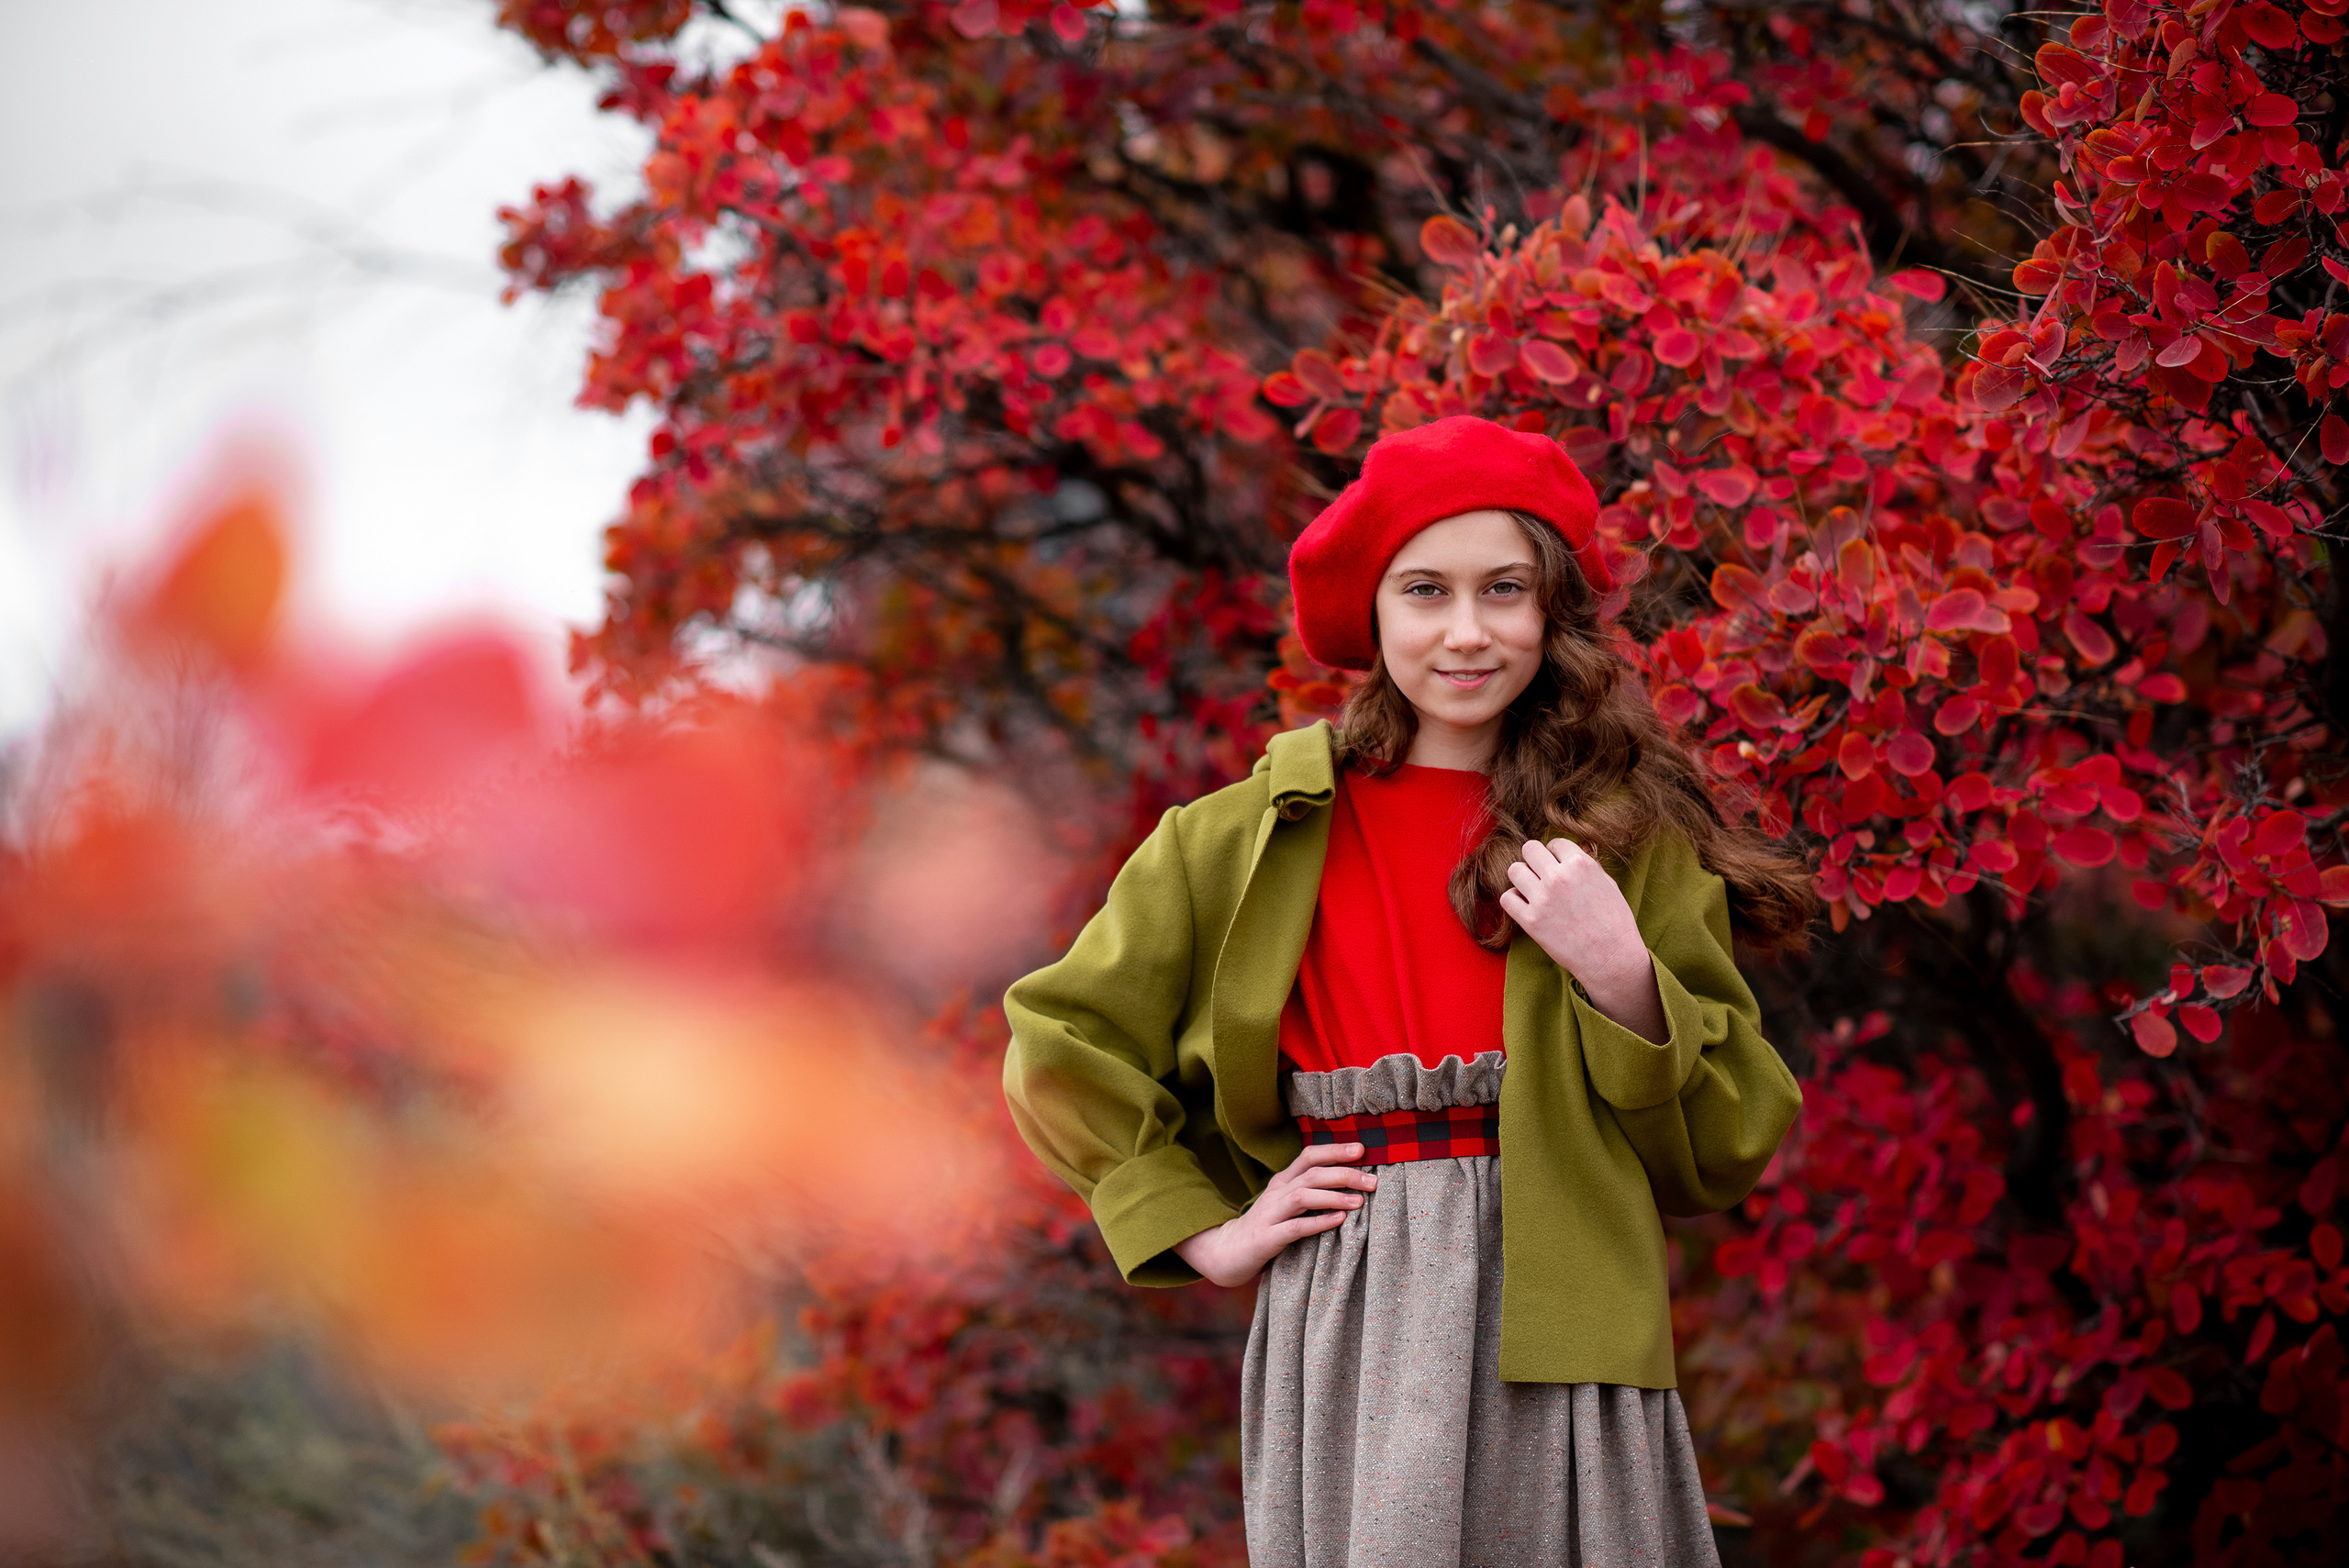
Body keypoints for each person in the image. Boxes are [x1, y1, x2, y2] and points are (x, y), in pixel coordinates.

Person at [1002, 415, 1812, 1568]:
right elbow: (1059, 1033)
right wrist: (1200, 1231)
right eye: (1426, 590)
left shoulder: (1631, 836)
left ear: (1552, 614)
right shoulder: (1246, 833)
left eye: (1506, 590)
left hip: (1569, 1296)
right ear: (1373, 614)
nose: (1467, 631)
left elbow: (1724, 1145)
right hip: (1353, 1305)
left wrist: (1622, 974)